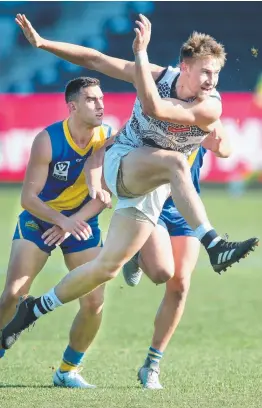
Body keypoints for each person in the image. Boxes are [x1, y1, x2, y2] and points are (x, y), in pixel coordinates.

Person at [0, 15, 258, 351]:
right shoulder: (157, 75)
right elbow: (97, 60)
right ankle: (214, 243)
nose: (211, 80)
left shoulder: (210, 107)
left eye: (216, 73)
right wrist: (44, 43)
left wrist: (217, 140)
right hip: (121, 160)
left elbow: (161, 111)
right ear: (185, 67)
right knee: (177, 162)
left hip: (152, 182)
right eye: (205, 71)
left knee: (109, 268)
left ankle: (33, 310)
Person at [0, 76, 116, 389]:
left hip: (81, 221)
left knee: (94, 302)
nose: (100, 104)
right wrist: (59, 221)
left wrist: (72, 222)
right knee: (13, 294)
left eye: (101, 98)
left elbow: (103, 198)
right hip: (40, 219)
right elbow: (28, 198)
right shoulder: (48, 139)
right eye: (92, 99)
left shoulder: (107, 137)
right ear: (73, 107)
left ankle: (67, 371)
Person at [123, 134, 230, 389]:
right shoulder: (163, 107)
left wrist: (218, 143)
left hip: (185, 209)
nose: (207, 91)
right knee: (161, 272)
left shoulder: (207, 108)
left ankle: (151, 365)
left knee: (180, 285)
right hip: (151, 202)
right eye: (203, 88)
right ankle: (135, 253)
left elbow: (225, 149)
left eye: (211, 89)